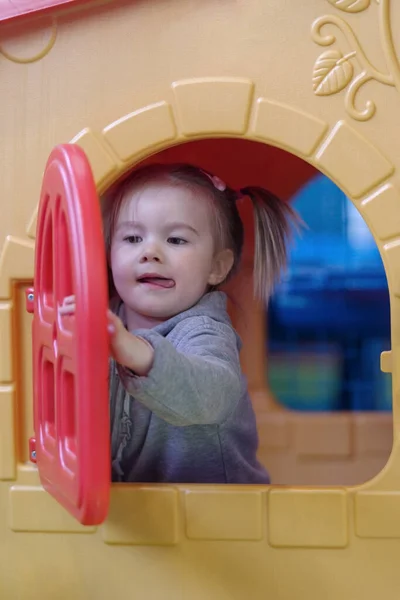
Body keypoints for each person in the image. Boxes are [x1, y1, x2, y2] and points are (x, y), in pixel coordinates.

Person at [61, 163, 298, 484]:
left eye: (175, 240)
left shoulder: (205, 330)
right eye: (132, 237)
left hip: (217, 516)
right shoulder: (109, 317)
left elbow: (209, 396)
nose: (150, 252)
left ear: (217, 266)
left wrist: (139, 353)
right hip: (144, 509)